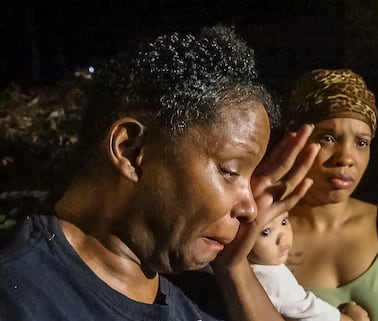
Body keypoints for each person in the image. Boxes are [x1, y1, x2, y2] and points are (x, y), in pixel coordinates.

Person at [0, 26, 320, 321]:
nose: (250, 208)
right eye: (230, 171)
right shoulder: (20, 295)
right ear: (131, 151)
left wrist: (234, 268)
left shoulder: (204, 288)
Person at [285, 69, 378, 321]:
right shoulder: (265, 232)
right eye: (328, 138)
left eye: (361, 142)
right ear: (296, 139)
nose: (346, 158)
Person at [249, 211, 370, 321]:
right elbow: (305, 310)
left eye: (284, 221)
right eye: (266, 232)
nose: (283, 238)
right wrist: (345, 319)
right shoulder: (270, 275)